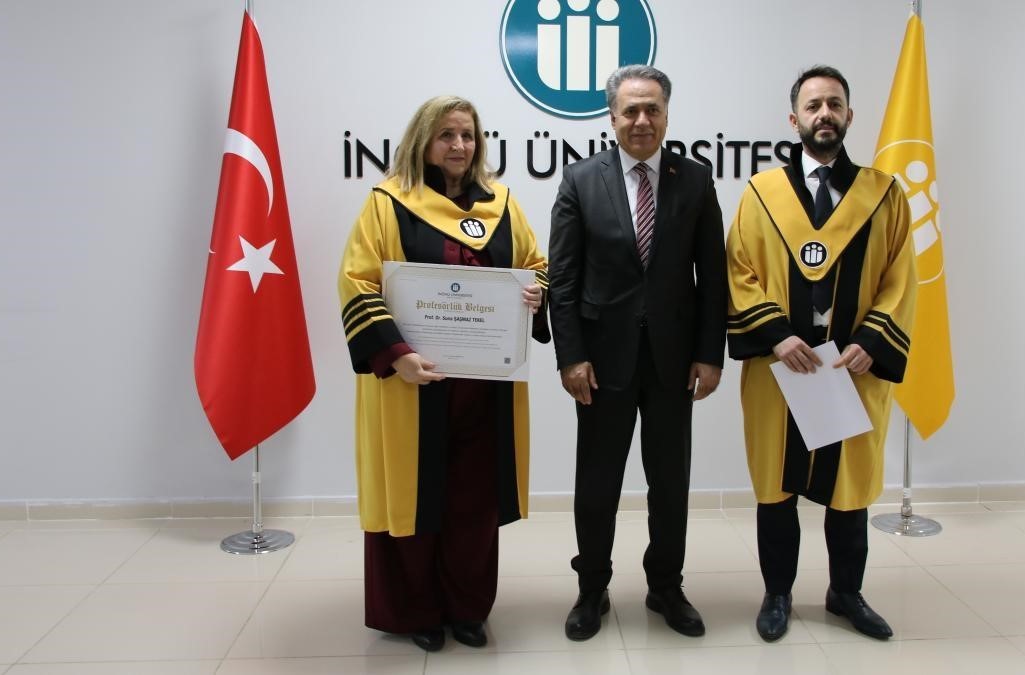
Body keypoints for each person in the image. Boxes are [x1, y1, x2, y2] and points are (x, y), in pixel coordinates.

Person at [337, 95, 549, 653]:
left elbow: (537, 266)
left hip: (484, 386)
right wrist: (398, 355)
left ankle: (467, 608)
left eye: (468, 135)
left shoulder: (502, 204)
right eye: (447, 135)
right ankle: (416, 611)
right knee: (414, 495)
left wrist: (536, 293)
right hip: (413, 382)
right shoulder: (389, 203)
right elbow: (357, 281)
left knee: (473, 501)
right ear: (423, 140)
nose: (459, 145)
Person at [724, 65, 916, 642]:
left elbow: (901, 279)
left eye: (834, 104)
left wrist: (870, 341)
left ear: (849, 115)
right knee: (775, 486)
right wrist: (776, 334)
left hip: (851, 368)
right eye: (813, 106)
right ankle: (777, 594)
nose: (824, 114)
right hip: (780, 368)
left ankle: (845, 593)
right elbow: (739, 271)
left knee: (849, 487)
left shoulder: (884, 195)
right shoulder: (762, 195)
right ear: (794, 120)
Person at [547, 64, 727, 640]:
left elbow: (713, 277)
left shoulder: (695, 181)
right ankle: (591, 588)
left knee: (670, 484)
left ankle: (666, 586)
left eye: (653, 109)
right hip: (601, 363)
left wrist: (711, 353)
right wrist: (570, 356)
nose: (642, 120)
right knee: (597, 483)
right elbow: (563, 280)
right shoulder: (580, 180)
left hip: (675, 361)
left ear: (667, 115)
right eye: (631, 110)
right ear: (612, 117)